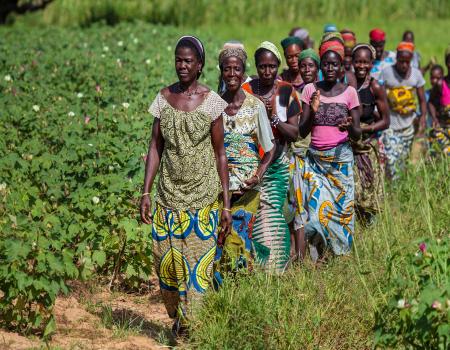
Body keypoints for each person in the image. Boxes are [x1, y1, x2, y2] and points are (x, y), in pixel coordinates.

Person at [140, 35, 231, 334]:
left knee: (197, 271)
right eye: (178, 59)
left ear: (200, 66)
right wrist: (146, 192)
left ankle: (192, 328)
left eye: (188, 61)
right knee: (165, 266)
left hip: (202, 199)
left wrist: (226, 204)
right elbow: (155, 147)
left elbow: (220, 154)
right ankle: (179, 316)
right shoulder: (163, 99)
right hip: (167, 197)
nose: (182, 65)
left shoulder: (212, 103)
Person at [214, 47, 275, 278]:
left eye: (236, 69)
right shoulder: (213, 106)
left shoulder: (255, 106)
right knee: (221, 239)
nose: (231, 74)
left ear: (243, 73)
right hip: (221, 189)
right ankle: (221, 290)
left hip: (248, 190)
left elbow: (269, 149)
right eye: (227, 69)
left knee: (241, 240)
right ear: (221, 72)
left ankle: (241, 289)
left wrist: (258, 174)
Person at [299, 40, 361, 257]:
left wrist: (349, 126)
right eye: (326, 64)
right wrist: (313, 110)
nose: (330, 69)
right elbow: (302, 131)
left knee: (342, 211)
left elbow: (357, 133)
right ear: (320, 67)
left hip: (340, 159)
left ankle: (340, 255)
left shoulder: (350, 92)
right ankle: (319, 252)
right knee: (315, 213)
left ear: (342, 67)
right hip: (315, 161)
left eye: (335, 65)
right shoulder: (310, 90)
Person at [242, 41, 301, 272]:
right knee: (252, 213)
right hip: (249, 162)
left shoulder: (286, 91)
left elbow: (295, 133)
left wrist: (274, 118)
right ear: (256, 67)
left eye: (272, 66)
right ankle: (254, 265)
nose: (267, 71)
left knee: (272, 212)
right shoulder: (246, 90)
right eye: (262, 66)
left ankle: (275, 268)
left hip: (277, 162)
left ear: (278, 65)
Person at [287, 48, 320, 261]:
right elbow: (300, 129)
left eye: (311, 66)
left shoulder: (323, 90)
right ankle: (300, 257)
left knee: (315, 205)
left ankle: (317, 255)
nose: (307, 69)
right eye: (303, 65)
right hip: (298, 153)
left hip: (318, 155)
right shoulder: (294, 94)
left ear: (318, 68)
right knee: (298, 205)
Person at [351, 44, 390, 224]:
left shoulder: (374, 86)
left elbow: (385, 120)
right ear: (352, 63)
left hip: (369, 144)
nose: (361, 66)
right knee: (353, 188)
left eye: (365, 62)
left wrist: (365, 129)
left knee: (369, 187)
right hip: (350, 143)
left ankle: (370, 226)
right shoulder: (346, 86)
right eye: (358, 61)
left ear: (371, 64)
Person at [380, 41, 427, 179]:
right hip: (391, 126)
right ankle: (392, 188)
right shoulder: (387, 73)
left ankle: (400, 188)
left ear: (411, 60)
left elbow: (422, 99)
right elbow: (381, 98)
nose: (404, 65)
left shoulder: (416, 75)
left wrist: (423, 117)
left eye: (407, 62)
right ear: (397, 59)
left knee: (403, 161)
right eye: (401, 61)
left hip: (409, 126)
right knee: (391, 160)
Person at [428, 47, 450, 156]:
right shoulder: (441, 84)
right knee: (443, 155)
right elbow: (431, 102)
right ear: (447, 63)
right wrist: (434, 118)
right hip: (444, 127)